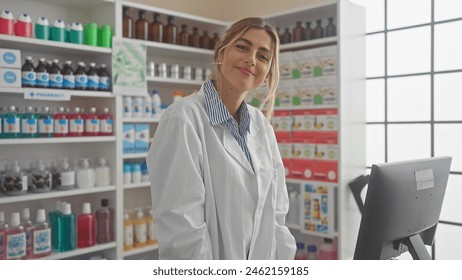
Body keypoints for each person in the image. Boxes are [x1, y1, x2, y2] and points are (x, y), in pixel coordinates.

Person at [146, 17, 296, 260]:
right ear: (222, 51)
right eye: (243, 47)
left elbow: (277, 215)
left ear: (267, 72)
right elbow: (182, 231)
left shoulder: (262, 127)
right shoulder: (183, 118)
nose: (251, 59)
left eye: (263, 56)